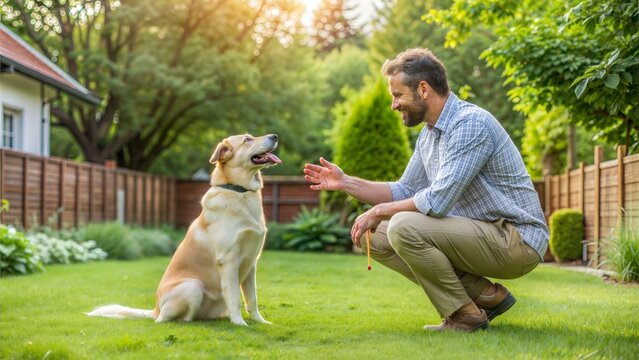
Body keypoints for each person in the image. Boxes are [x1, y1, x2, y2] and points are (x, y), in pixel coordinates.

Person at [303, 48, 548, 332]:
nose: (394, 105)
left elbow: (438, 201)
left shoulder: (469, 124)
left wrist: (380, 211)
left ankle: (464, 316)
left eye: (397, 95)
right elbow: (404, 189)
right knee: (374, 236)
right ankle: (484, 297)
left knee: (403, 225)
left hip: (516, 239)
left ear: (423, 89)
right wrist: (345, 183)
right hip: (480, 233)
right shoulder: (429, 134)